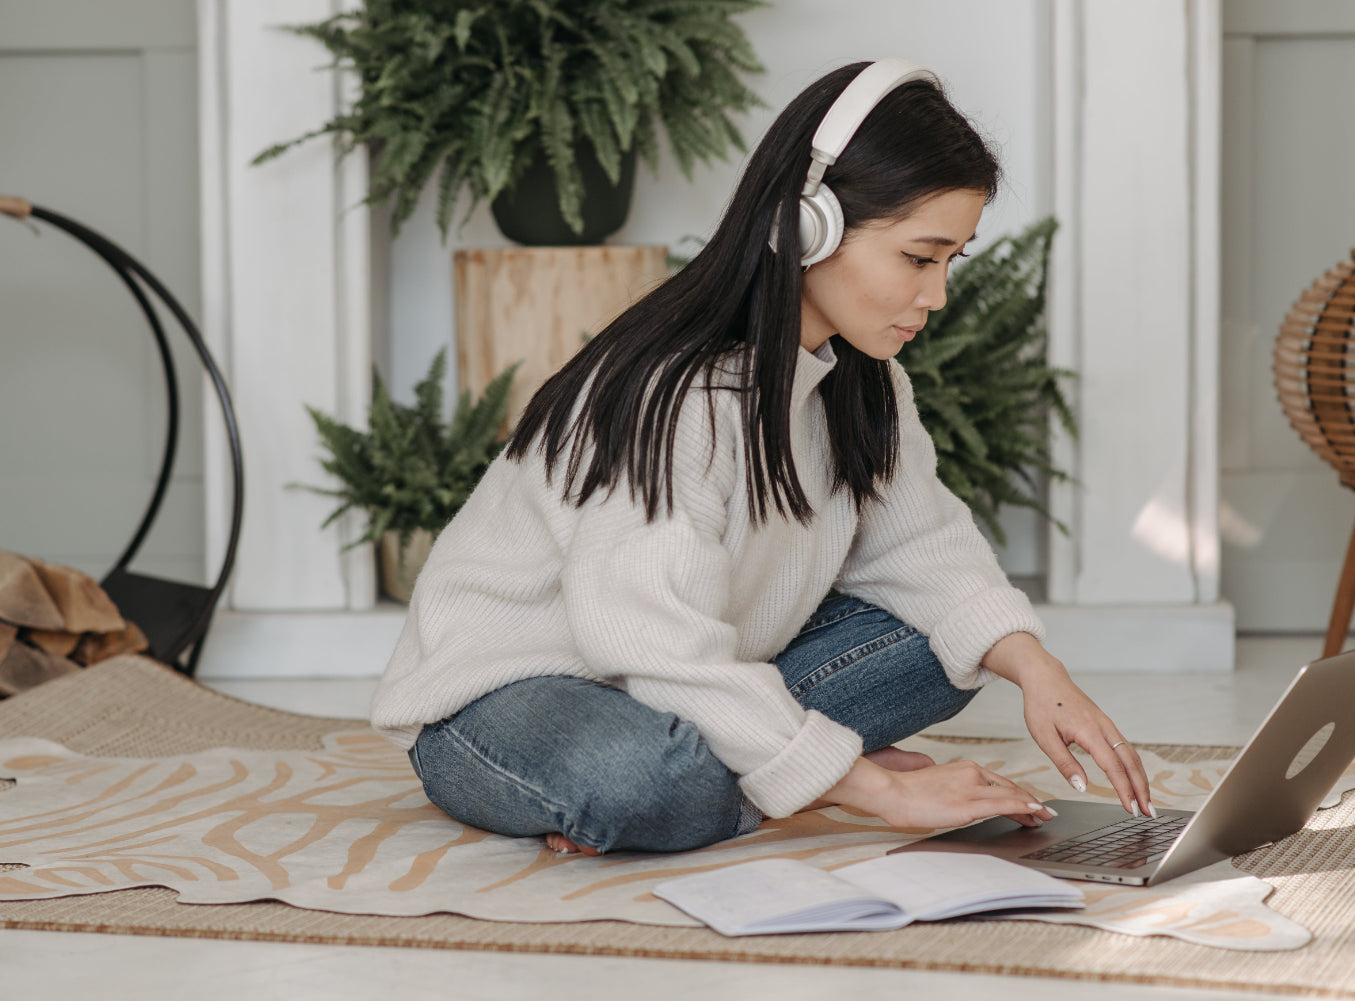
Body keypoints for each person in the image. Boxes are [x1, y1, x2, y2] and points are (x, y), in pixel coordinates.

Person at [370, 59, 1153, 857]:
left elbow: (926, 548)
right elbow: (647, 640)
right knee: (647, 779)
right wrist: (876, 789)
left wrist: (1039, 668)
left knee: (946, 647)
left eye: (954, 260)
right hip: (508, 697)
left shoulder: (867, 381)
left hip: (681, 678)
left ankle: (752, 767)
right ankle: (743, 777)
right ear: (808, 224)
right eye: (919, 258)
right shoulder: (675, 393)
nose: (938, 295)